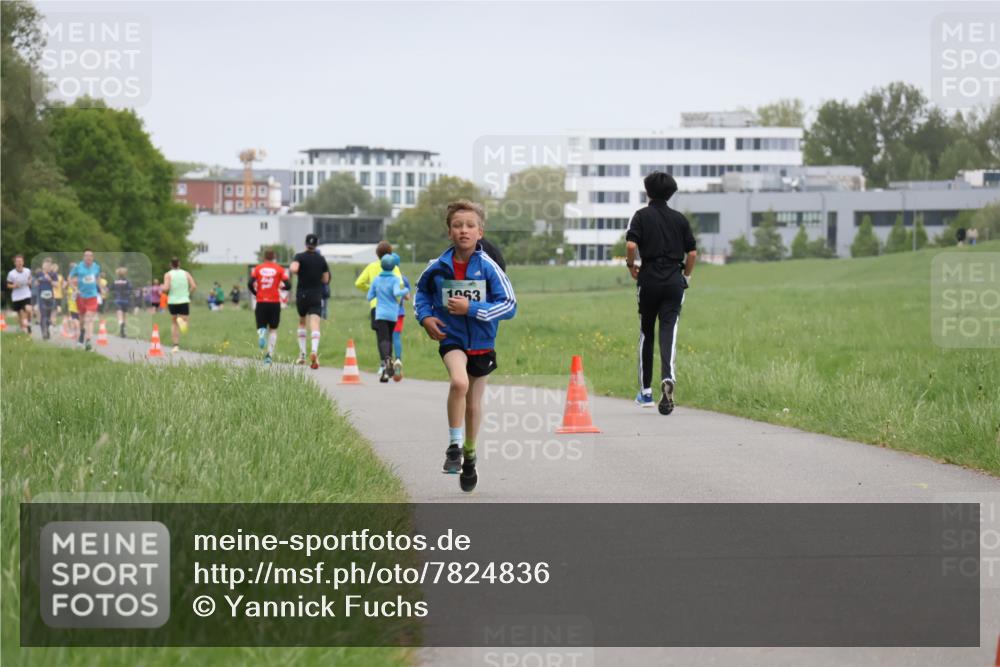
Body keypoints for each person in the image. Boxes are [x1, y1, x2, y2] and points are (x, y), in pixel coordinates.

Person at [415, 200, 516, 493]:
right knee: (459, 383)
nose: (463, 230)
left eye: (470, 225)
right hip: (452, 338)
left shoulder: (489, 267)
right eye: (457, 225)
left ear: (480, 232)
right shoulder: (437, 267)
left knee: (473, 404)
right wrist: (426, 318)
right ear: (449, 232)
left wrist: (471, 308)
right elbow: (421, 294)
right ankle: (454, 447)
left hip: (482, 341)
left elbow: (509, 305)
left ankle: (470, 456)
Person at [625, 171, 697, 415]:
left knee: (647, 333)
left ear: (648, 191)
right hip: (674, 281)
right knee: (669, 330)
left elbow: (631, 245)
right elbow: (692, 253)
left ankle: (645, 392)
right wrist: (686, 277)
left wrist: (631, 264)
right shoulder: (680, 219)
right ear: (671, 193)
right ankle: (668, 377)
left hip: (649, 279)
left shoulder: (641, 216)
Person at [355, 241, 403, 375]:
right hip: (392, 307)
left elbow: (359, 283)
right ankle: (389, 360)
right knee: (389, 336)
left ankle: (384, 363)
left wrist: (373, 290)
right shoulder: (394, 268)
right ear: (390, 253)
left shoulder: (371, 267)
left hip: (376, 307)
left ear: (377, 254)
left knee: (381, 337)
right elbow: (399, 285)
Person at [367, 252, 409, 382]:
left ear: (382, 266)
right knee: (389, 339)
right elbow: (397, 293)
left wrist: (378, 292)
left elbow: (369, 296)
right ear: (393, 267)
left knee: (382, 340)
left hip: (380, 313)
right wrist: (405, 290)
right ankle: (387, 368)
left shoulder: (376, 280)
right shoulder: (395, 279)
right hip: (393, 314)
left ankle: (386, 363)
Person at [290, 233, 330, 369]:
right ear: (316, 244)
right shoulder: (321, 259)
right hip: (316, 295)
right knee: (315, 323)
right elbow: (326, 279)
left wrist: (298, 270)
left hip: (302, 294)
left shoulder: (299, 256)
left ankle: (302, 355)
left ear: (306, 243)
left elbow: (294, 268)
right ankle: (314, 351)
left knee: (302, 322)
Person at [249, 248, 291, 365]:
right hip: (274, 302)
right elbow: (288, 285)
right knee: (273, 329)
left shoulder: (258, 268)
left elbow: (250, 283)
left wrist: (256, 292)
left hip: (261, 301)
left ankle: (262, 333)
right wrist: (282, 287)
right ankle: (269, 356)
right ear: (274, 257)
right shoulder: (279, 269)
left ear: (264, 257)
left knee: (261, 325)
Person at [68, 249, 102, 349]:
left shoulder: (96, 267)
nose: (88, 258)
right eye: (86, 256)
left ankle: (88, 340)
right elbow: (69, 278)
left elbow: (98, 277)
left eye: (90, 256)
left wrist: (100, 287)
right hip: (81, 297)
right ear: (83, 257)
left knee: (89, 318)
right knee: (82, 320)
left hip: (92, 296)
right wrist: (75, 289)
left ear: (93, 257)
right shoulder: (78, 267)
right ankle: (82, 334)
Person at [162, 257, 196, 353]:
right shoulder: (186, 274)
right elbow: (194, 286)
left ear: (170, 265)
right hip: (184, 300)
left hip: (172, 301)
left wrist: (162, 287)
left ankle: (175, 345)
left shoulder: (168, 274)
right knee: (184, 321)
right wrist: (188, 293)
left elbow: (166, 288)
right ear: (179, 264)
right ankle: (182, 323)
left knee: (174, 323)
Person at [392, 273, 411, 382]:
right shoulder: (403, 279)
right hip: (399, 313)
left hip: (385, 313)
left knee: (386, 339)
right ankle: (398, 360)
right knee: (396, 337)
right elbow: (407, 297)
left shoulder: (384, 277)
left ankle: (387, 364)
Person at [7, 254, 33, 334]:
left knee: (28, 309)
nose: (19, 263)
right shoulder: (11, 273)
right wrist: (14, 286)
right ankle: (23, 330)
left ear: (23, 262)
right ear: (15, 263)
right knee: (20, 315)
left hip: (26, 294)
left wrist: (30, 282)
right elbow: (8, 285)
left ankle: (28, 324)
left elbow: (31, 280)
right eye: (17, 261)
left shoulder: (27, 271)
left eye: (21, 261)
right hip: (16, 297)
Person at [35, 259, 58, 340]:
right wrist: (38, 281)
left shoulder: (53, 274)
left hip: (50, 297)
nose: (47, 267)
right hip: (41, 297)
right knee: (43, 314)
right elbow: (36, 284)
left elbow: (56, 285)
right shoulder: (39, 274)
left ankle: (47, 330)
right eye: (45, 265)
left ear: (50, 266)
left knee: (48, 316)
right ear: (43, 266)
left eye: (48, 266)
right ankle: (44, 332)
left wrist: (50, 280)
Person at [112, 267, 132, 337]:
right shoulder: (127, 281)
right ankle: (124, 331)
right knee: (124, 315)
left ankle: (121, 324)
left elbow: (110, 289)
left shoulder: (115, 281)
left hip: (118, 299)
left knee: (119, 313)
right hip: (125, 300)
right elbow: (131, 288)